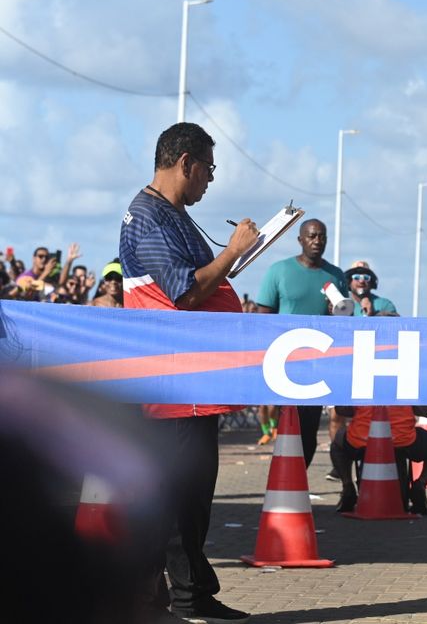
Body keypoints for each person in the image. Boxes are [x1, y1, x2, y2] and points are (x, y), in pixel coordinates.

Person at [119, 122, 258, 624]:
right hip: (172, 382)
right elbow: (185, 291)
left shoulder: (172, 213)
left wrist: (233, 257)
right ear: (185, 163)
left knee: (194, 494)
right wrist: (234, 250)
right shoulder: (148, 217)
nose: (210, 181)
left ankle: (190, 595)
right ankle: (168, 599)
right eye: (208, 170)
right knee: (178, 495)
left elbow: (205, 281)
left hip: (196, 379)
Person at [254, 219, 347, 467]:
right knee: (285, 427)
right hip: (282, 364)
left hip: (316, 367)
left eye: (322, 236)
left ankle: (296, 484)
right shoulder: (278, 271)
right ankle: (281, 484)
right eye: (312, 236)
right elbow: (263, 317)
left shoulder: (336, 276)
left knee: (308, 433)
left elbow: (345, 323)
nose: (317, 241)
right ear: (300, 239)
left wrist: (337, 314)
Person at [329, 405, 427, 515]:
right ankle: (420, 485)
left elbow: (341, 410)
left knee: (337, 445)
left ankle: (347, 486)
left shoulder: (360, 382)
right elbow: (425, 412)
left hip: (361, 439)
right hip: (403, 439)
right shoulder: (409, 383)